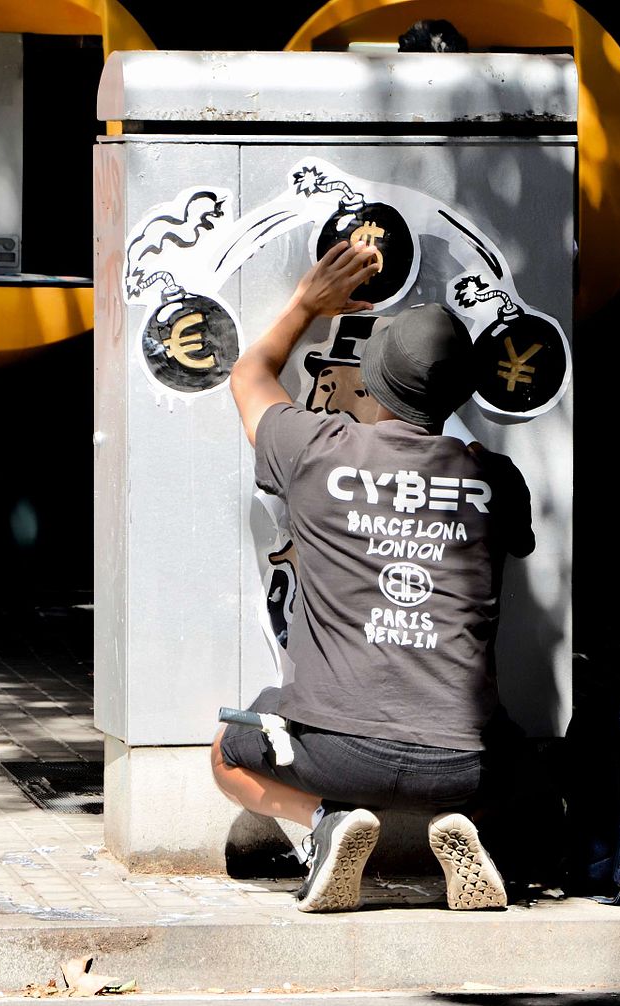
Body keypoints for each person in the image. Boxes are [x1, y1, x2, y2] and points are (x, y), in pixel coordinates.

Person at [213, 240, 534, 912]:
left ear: (372, 379)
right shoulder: (495, 479)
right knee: (521, 758)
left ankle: (324, 821)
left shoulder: (315, 449)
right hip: (463, 766)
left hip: (334, 753)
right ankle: (467, 827)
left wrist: (306, 304)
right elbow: (517, 540)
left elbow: (249, 374)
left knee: (226, 751)